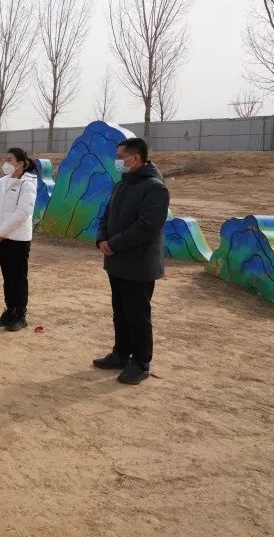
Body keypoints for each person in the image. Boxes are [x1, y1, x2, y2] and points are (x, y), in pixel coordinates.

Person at [93, 137, 170, 386]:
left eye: (120, 157)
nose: (116, 161)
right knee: (120, 312)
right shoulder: (121, 184)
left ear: (134, 158)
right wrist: (102, 238)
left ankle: (140, 362)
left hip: (138, 264)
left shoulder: (155, 188)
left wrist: (113, 244)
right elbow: (106, 215)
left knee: (137, 315)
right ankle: (121, 353)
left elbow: (147, 227)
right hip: (116, 261)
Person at [0, 148, 39, 331]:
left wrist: (1, 231)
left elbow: (23, 213)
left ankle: (20, 314)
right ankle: (10, 310)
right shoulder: (2, 182)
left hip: (18, 239)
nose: (6, 163)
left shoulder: (28, 184)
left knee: (18, 277)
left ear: (20, 163)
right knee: (7, 277)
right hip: (1, 238)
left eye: (9, 160)